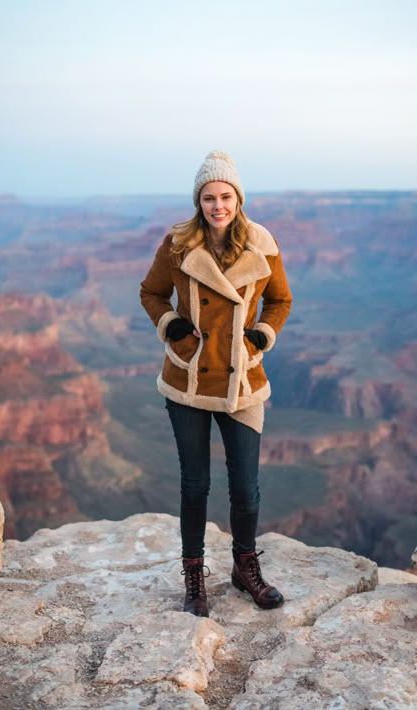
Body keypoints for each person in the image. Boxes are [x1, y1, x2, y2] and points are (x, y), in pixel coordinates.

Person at [140, 150, 292, 617]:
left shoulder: (262, 244)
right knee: (195, 485)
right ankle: (193, 578)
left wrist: (261, 337)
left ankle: (245, 569)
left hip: (241, 380)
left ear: (238, 198)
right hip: (189, 379)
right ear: (198, 201)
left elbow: (280, 300)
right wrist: (171, 326)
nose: (217, 205)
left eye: (225, 196)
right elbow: (150, 292)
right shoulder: (177, 244)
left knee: (246, 487)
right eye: (209, 197)